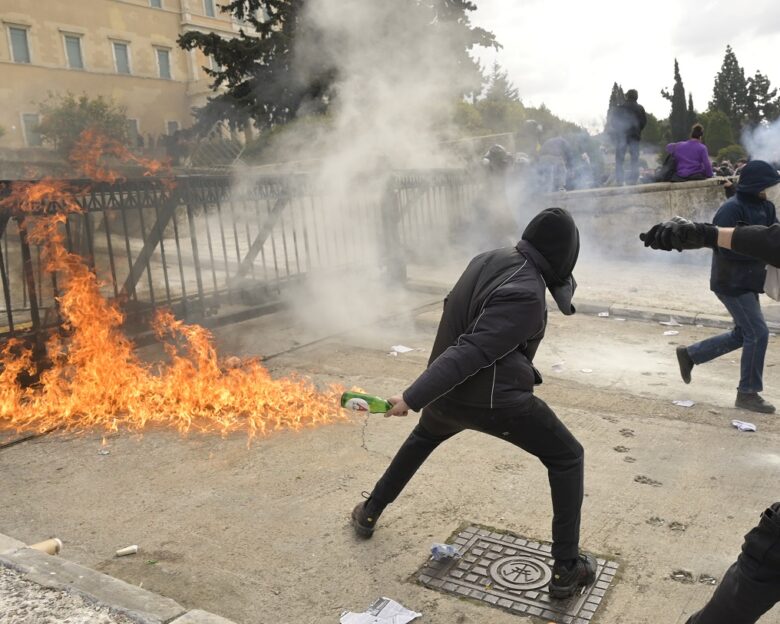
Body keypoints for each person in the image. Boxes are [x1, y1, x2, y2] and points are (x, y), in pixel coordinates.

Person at [351, 207, 596, 600]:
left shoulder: (489, 258)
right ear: (564, 258)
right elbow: (472, 350)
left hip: (449, 394)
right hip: (495, 403)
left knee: (424, 438)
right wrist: (412, 397)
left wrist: (429, 394)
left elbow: (456, 325)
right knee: (568, 457)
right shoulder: (527, 293)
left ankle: (368, 511)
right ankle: (567, 569)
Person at [640, 160, 780, 413]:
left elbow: (770, 239)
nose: (770, 189)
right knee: (757, 333)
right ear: (756, 184)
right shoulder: (731, 209)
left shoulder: (767, 207)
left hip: (751, 281)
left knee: (744, 333)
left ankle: (691, 355)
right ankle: (748, 393)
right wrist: (755, 252)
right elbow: (722, 247)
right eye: (767, 185)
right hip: (730, 282)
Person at [611, 89, 647, 186]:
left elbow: (613, 122)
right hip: (634, 136)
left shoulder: (619, 108)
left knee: (619, 159)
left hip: (621, 136)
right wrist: (637, 130)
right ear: (636, 97)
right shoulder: (640, 108)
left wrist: (620, 130)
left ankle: (619, 180)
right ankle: (633, 180)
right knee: (634, 158)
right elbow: (643, 122)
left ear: (627, 96)